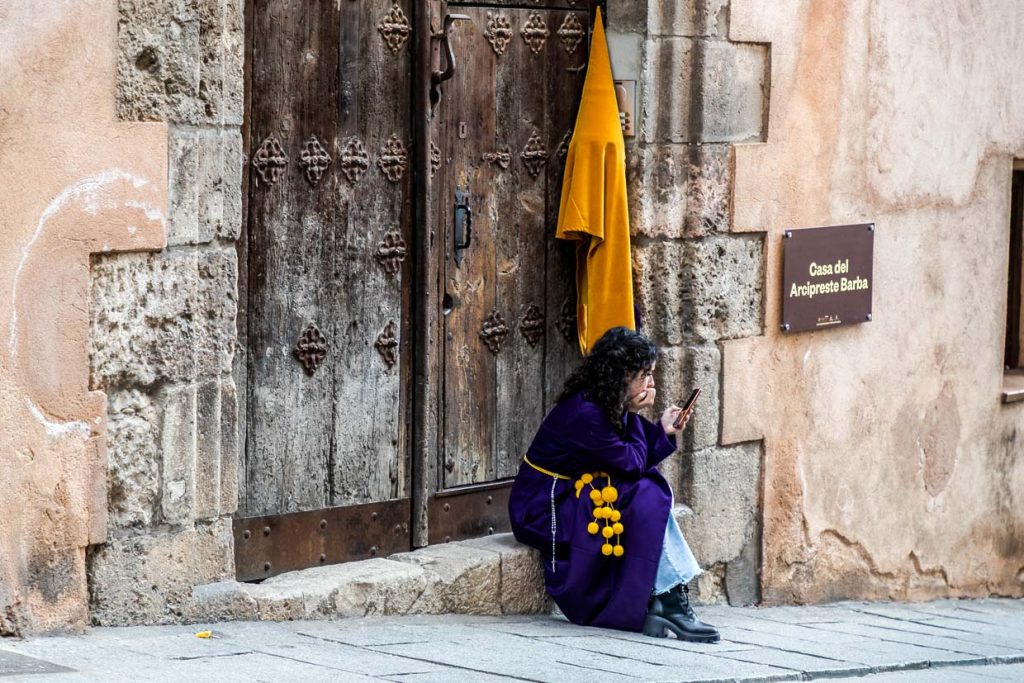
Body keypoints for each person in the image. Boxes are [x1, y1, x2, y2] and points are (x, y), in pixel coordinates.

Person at [508, 327, 719, 642]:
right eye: (643, 375)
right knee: (644, 491)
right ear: (620, 376)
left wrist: (662, 430)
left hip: (570, 491)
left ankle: (668, 598)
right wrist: (637, 413)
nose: (650, 383)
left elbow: (629, 454)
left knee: (645, 491)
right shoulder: (586, 412)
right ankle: (671, 600)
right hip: (542, 505)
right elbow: (631, 463)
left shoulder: (603, 402)